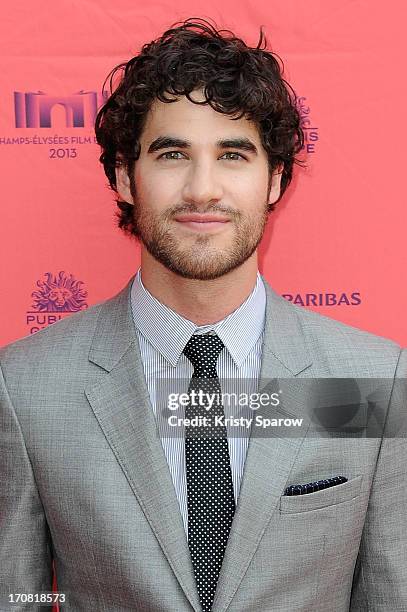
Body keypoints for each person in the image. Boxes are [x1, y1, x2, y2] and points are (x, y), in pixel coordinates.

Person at [0, 17, 406, 612]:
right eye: (171, 154)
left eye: (234, 155)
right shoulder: (26, 385)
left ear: (275, 179)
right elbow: (21, 595)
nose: (202, 189)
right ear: (124, 176)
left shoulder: (377, 379)